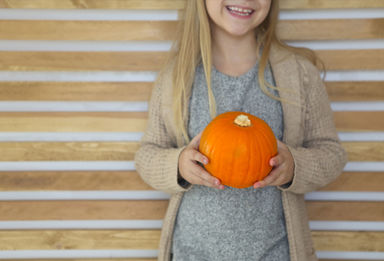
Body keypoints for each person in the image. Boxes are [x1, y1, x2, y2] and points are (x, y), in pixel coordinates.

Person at [135, 0, 347, 260]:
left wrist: (295, 165)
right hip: (193, 253)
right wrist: (178, 165)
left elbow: (332, 154)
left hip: (274, 253)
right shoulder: (175, 77)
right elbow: (147, 154)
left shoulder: (299, 74)